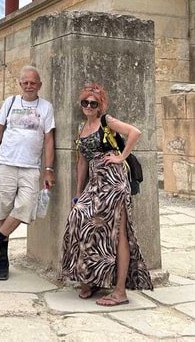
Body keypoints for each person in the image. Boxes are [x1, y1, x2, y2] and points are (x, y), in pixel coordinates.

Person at [60, 83, 153, 305]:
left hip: (114, 181)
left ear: (100, 106)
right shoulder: (82, 128)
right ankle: (90, 278)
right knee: (78, 218)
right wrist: (77, 194)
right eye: (85, 102)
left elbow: (135, 133)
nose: (89, 106)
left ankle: (120, 291)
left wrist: (121, 157)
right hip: (95, 183)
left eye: (93, 103)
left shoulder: (106, 121)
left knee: (118, 232)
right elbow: (82, 161)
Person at [0, 65, 55, 280]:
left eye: (33, 82)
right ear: (20, 84)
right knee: (4, 209)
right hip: (6, 163)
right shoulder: (10, 102)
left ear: (39, 85)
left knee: (26, 207)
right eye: (25, 82)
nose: (29, 86)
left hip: (30, 167)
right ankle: (3, 259)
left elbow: (49, 139)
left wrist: (48, 169)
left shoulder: (46, 107)